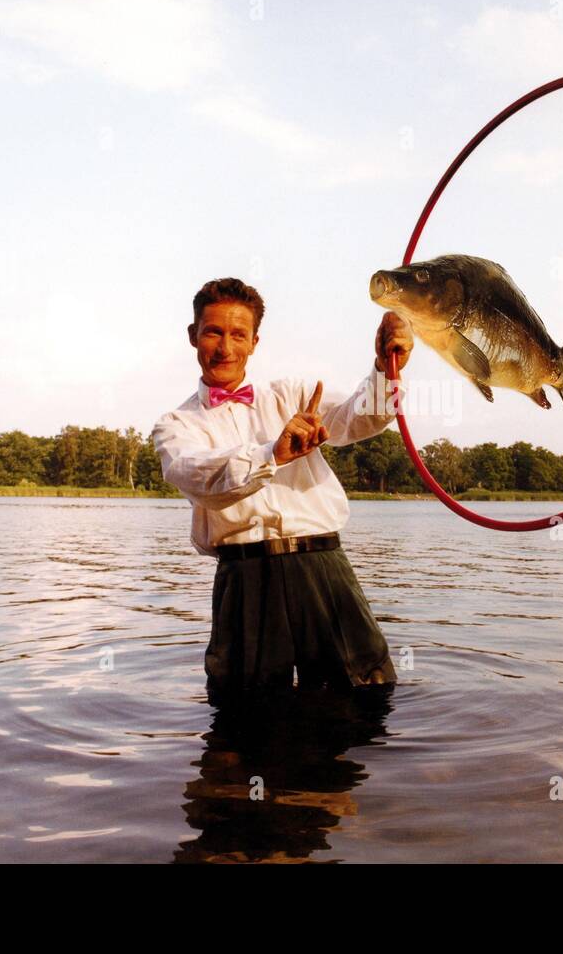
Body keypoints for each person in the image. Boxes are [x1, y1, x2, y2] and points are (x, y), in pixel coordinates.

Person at [152, 277, 414, 701]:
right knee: (242, 713)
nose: (225, 347)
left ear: (254, 341)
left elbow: (359, 418)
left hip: (321, 565)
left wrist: (385, 367)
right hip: (244, 579)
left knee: (365, 696)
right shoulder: (176, 425)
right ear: (193, 336)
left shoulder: (291, 394)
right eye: (213, 332)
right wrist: (272, 453)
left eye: (238, 334)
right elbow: (197, 477)